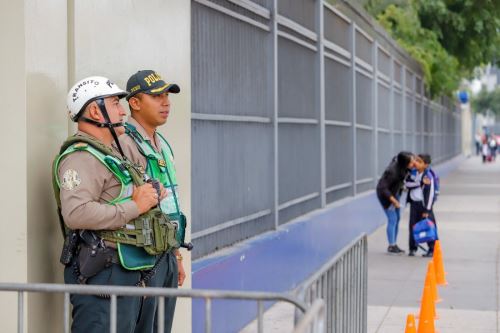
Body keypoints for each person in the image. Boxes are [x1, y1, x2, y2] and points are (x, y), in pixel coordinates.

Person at [53, 76, 177, 332]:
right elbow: (76, 213)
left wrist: (150, 194)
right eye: (115, 103)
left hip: (123, 270)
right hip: (101, 273)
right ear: (95, 110)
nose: (123, 111)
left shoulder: (109, 153)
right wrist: (135, 206)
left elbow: (123, 196)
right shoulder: (80, 156)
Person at [119, 70, 187, 333]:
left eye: (167, 96)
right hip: (144, 256)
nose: (166, 103)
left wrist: (176, 254)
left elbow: (170, 203)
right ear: (134, 103)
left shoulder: (162, 143)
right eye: (157, 96)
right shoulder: (125, 142)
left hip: (165, 252)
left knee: (162, 327)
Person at [376, 151, 415, 254]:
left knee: (397, 218)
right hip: (386, 196)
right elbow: (382, 188)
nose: (414, 163)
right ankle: (391, 246)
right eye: (411, 162)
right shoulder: (392, 171)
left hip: (395, 192)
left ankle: (394, 243)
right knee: (392, 219)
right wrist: (393, 200)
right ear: (405, 163)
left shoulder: (404, 167)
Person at [405, 154, 438, 257]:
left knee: (429, 226)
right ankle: (412, 248)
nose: (416, 163)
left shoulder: (429, 176)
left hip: (425, 206)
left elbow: (431, 194)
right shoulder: (413, 173)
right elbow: (407, 184)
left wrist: (427, 210)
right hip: (414, 205)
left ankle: (432, 249)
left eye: (419, 162)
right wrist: (419, 182)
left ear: (426, 165)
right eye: (416, 160)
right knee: (413, 227)